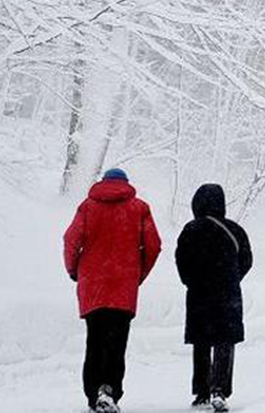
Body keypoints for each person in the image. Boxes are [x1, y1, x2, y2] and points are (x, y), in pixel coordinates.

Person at [63, 168, 162, 413]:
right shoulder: (139, 208)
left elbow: (70, 240)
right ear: (126, 184)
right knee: (116, 343)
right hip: (123, 286)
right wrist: (138, 274)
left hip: (93, 285)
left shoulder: (87, 207)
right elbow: (154, 245)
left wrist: (74, 270)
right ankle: (109, 390)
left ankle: (92, 395)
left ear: (103, 182)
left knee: (94, 342)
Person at [175, 183, 253, 411]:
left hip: (199, 294)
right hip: (227, 294)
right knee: (224, 341)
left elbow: (181, 260)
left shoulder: (191, 229)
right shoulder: (235, 230)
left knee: (201, 341)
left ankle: (201, 392)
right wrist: (232, 278)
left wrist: (191, 281)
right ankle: (220, 390)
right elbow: (247, 260)